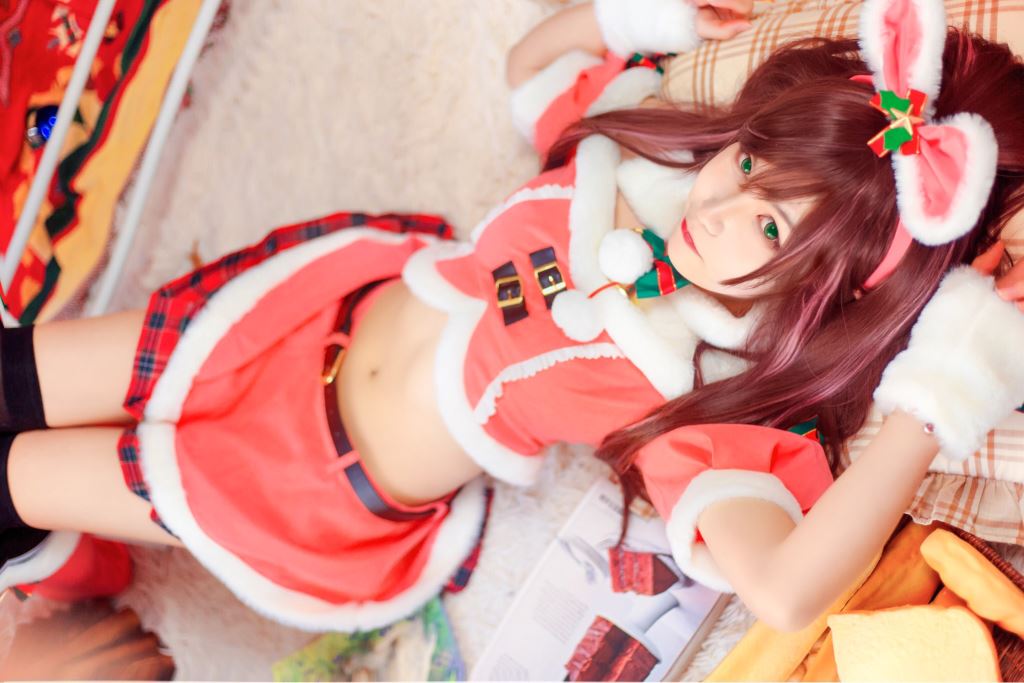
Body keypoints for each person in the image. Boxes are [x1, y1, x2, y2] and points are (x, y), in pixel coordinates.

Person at [2, 0, 1023, 633]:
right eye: (751, 161)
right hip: (286, 321)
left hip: (299, 474)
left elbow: (787, 591)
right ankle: (67, 561)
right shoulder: (648, 160)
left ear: (839, 288)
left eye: (769, 227)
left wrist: (943, 385)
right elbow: (531, 70)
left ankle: (70, 566)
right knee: (11, 372)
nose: (720, 207)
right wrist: (638, 23)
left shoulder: (699, 397)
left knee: (13, 474)